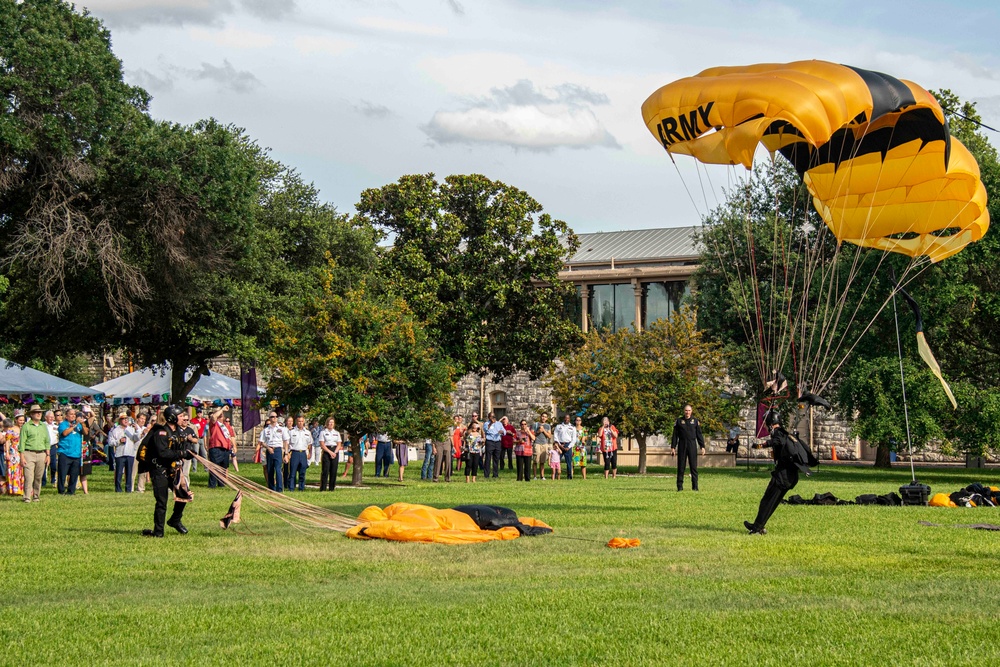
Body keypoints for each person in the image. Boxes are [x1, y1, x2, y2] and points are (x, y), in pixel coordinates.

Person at [744, 412, 818, 535]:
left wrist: (761, 445)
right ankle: (758, 525)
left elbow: (777, 441)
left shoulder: (779, 434)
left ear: (771, 424)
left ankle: (757, 528)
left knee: (767, 500)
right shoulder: (785, 433)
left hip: (783, 476)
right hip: (789, 476)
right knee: (771, 501)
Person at [137, 405, 194, 537]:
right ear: (173, 417)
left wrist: (189, 452)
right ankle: (158, 532)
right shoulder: (161, 432)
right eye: (180, 416)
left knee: (184, 495)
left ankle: (175, 520)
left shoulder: (178, 432)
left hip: (173, 469)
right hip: (159, 470)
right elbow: (163, 453)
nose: (183, 418)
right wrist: (181, 453)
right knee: (162, 501)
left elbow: (182, 446)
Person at [670, 404, 705, 492]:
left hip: (692, 445)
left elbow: (699, 435)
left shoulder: (695, 421)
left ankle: (695, 487)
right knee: (681, 466)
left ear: (691, 411)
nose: (687, 412)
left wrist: (702, 446)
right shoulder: (679, 421)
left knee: (693, 467)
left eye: (689, 410)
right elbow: (675, 435)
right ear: (684, 411)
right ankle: (680, 487)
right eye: (686, 410)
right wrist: (673, 447)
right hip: (682, 445)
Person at [19, 406, 49, 501]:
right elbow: (22, 442)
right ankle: (27, 497)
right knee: (29, 476)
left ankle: (36, 495)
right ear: (31, 414)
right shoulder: (26, 426)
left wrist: (48, 455)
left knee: (38, 476)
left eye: (40, 412)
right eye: (36, 412)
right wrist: (22, 456)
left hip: (41, 453)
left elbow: (47, 441)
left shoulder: (43, 426)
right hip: (29, 453)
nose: (39, 414)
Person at [57, 408, 88, 495]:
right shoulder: (63, 424)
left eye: (74, 414)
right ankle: (61, 491)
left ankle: (71, 491)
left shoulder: (78, 425)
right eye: (71, 414)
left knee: (74, 474)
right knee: (62, 474)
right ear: (66, 416)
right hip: (65, 452)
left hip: (76, 453)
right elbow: (65, 433)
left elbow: (85, 433)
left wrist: (82, 424)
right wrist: (75, 425)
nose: (73, 416)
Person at [258, 412, 289, 492]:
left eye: (276, 416)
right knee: (270, 470)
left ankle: (279, 488)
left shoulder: (282, 429)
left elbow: (285, 441)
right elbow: (262, 442)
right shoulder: (266, 430)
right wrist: (268, 447)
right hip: (269, 450)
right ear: (269, 418)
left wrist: (286, 454)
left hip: (278, 449)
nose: (274, 418)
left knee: (278, 469)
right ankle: (271, 488)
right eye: (272, 417)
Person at [206, 407, 233, 488]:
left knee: (223, 468)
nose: (221, 416)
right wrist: (221, 409)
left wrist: (232, 446)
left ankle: (221, 484)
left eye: (222, 415)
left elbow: (230, 437)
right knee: (214, 468)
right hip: (216, 447)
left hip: (225, 449)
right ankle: (212, 485)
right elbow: (214, 417)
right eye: (219, 415)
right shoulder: (214, 423)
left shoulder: (225, 425)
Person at [110, 412, 135, 493]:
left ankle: (128, 489)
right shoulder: (115, 430)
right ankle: (118, 489)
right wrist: (119, 441)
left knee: (129, 472)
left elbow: (136, 438)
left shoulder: (131, 429)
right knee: (119, 472)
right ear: (120, 420)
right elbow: (110, 442)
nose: (125, 420)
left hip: (130, 453)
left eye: (126, 419)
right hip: (120, 454)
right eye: (123, 419)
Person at [286, 415, 313, 492]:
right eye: (299, 421)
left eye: (301, 421)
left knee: (302, 472)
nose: (300, 423)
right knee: (292, 472)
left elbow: (310, 444)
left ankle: (301, 488)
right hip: (294, 453)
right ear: (296, 422)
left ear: (303, 422)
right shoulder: (291, 432)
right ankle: (291, 488)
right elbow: (287, 443)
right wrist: (287, 453)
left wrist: (310, 453)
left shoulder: (307, 432)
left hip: (303, 453)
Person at [127, 413, 150, 493]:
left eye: (144, 419)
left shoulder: (145, 428)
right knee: (133, 471)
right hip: (134, 452)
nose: (143, 420)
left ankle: (140, 488)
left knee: (143, 471)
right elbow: (134, 438)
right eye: (141, 418)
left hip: (143, 452)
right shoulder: (132, 428)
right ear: (137, 419)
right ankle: (131, 488)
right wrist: (141, 432)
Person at [319, 418, 342, 491]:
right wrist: (330, 452)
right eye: (329, 422)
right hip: (327, 451)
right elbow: (322, 444)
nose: (331, 424)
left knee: (333, 471)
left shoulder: (337, 433)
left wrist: (334, 452)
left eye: (332, 422)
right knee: (325, 470)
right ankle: (323, 488)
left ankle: (332, 488)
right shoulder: (323, 432)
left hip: (335, 451)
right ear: (327, 423)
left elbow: (339, 444)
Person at [2, 417, 23, 496]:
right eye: (20, 420)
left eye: (23, 420)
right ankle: (13, 489)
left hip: (21, 451)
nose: (21, 422)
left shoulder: (23, 429)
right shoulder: (11, 429)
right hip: (13, 452)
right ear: (16, 420)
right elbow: (7, 441)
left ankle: (20, 489)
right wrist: (7, 452)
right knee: (13, 470)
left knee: (20, 470)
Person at [553, 414, 577, 480]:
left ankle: (569, 476)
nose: (566, 419)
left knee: (569, 462)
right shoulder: (559, 426)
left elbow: (574, 439)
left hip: (568, 445)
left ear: (569, 419)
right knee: (556, 461)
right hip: (560, 445)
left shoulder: (573, 427)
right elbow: (555, 436)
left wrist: (568, 447)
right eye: (565, 418)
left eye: (568, 418)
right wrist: (559, 445)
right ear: (564, 418)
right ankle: (554, 475)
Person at [532, 412, 553, 481]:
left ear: (547, 418)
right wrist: (538, 431)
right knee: (535, 460)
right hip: (537, 443)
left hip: (544, 444)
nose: (543, 418)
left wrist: (543, 430)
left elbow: (549, 436)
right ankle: (535, 476)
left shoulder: (548, 426)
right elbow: (532, 435)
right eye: (542, 416)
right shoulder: (535, 425)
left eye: (545, 417)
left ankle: (542, 476)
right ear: (540, 417)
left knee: (542, 461)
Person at [483, 413, 504, 478]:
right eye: (491, 417)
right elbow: (486, 430)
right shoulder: (486, 423)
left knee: (496, 459)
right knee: (488, 458)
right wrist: (491, 423)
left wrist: (502, 431)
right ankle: (487, 474)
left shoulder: (499, 424)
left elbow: (504, 431)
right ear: (489, 417)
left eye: (494, 416)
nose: (493, 418)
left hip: (497, 442)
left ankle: (495, 474)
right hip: (490, 442)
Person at [45, 409, 60, 486]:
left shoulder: (56, 426)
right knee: (44, 465)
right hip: (44, 447)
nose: (51, 418)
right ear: (45, 418)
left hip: (53, 446)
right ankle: (43, 481)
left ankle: (53, 479)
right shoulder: (43, 425)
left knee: (53, 464)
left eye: (52, 417)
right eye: (49, 417)